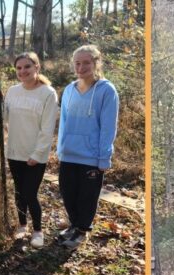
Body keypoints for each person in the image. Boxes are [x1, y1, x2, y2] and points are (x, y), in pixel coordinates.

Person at [55, 45, 119, 249]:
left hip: (91, 156)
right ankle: (74, 225)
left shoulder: (106, 90)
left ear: (96, 63)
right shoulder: (68, 90)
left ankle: (82, 230)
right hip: (69, 154)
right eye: (77, 63)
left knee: (86, 197)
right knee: (68, 193)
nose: (81, 67)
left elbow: (108, 126)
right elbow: (63, 123)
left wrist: (104, 157)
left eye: (86, 63)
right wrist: (60, 149)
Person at [4, 52, 59, 249]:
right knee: (19, 191)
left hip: (35, 153)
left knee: (30, 192)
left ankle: (38, 230)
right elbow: (5, 118)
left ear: (37, 68)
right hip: (14, 150)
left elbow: (47, 128)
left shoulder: (47, 93)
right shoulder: (12, 91)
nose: (22, 71)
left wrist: (37, 154)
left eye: (27, 67)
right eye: (18, 68)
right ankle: (22, 225)